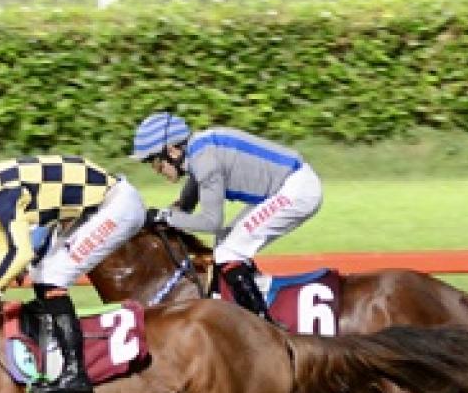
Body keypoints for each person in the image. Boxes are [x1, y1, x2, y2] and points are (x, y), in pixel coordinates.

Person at [0, 145, 147, 393]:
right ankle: (59, 353)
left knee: (52, 276)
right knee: (41, 274)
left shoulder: (2, 194)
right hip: (99, 205)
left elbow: (21, 253)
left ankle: (75, 373)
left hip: (117, 207)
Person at [130, 112, 323, 323]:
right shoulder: (199, 150)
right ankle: (255, 296)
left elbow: (211, 222)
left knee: (228, 252)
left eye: (155, 162)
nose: (156, 170)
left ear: (173, 151)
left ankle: (264, 327)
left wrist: (165, 216)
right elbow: (189, 197)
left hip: (297, 191)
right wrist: (171, 213)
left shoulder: (205, 162)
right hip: (286, 185)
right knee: (225, 241)